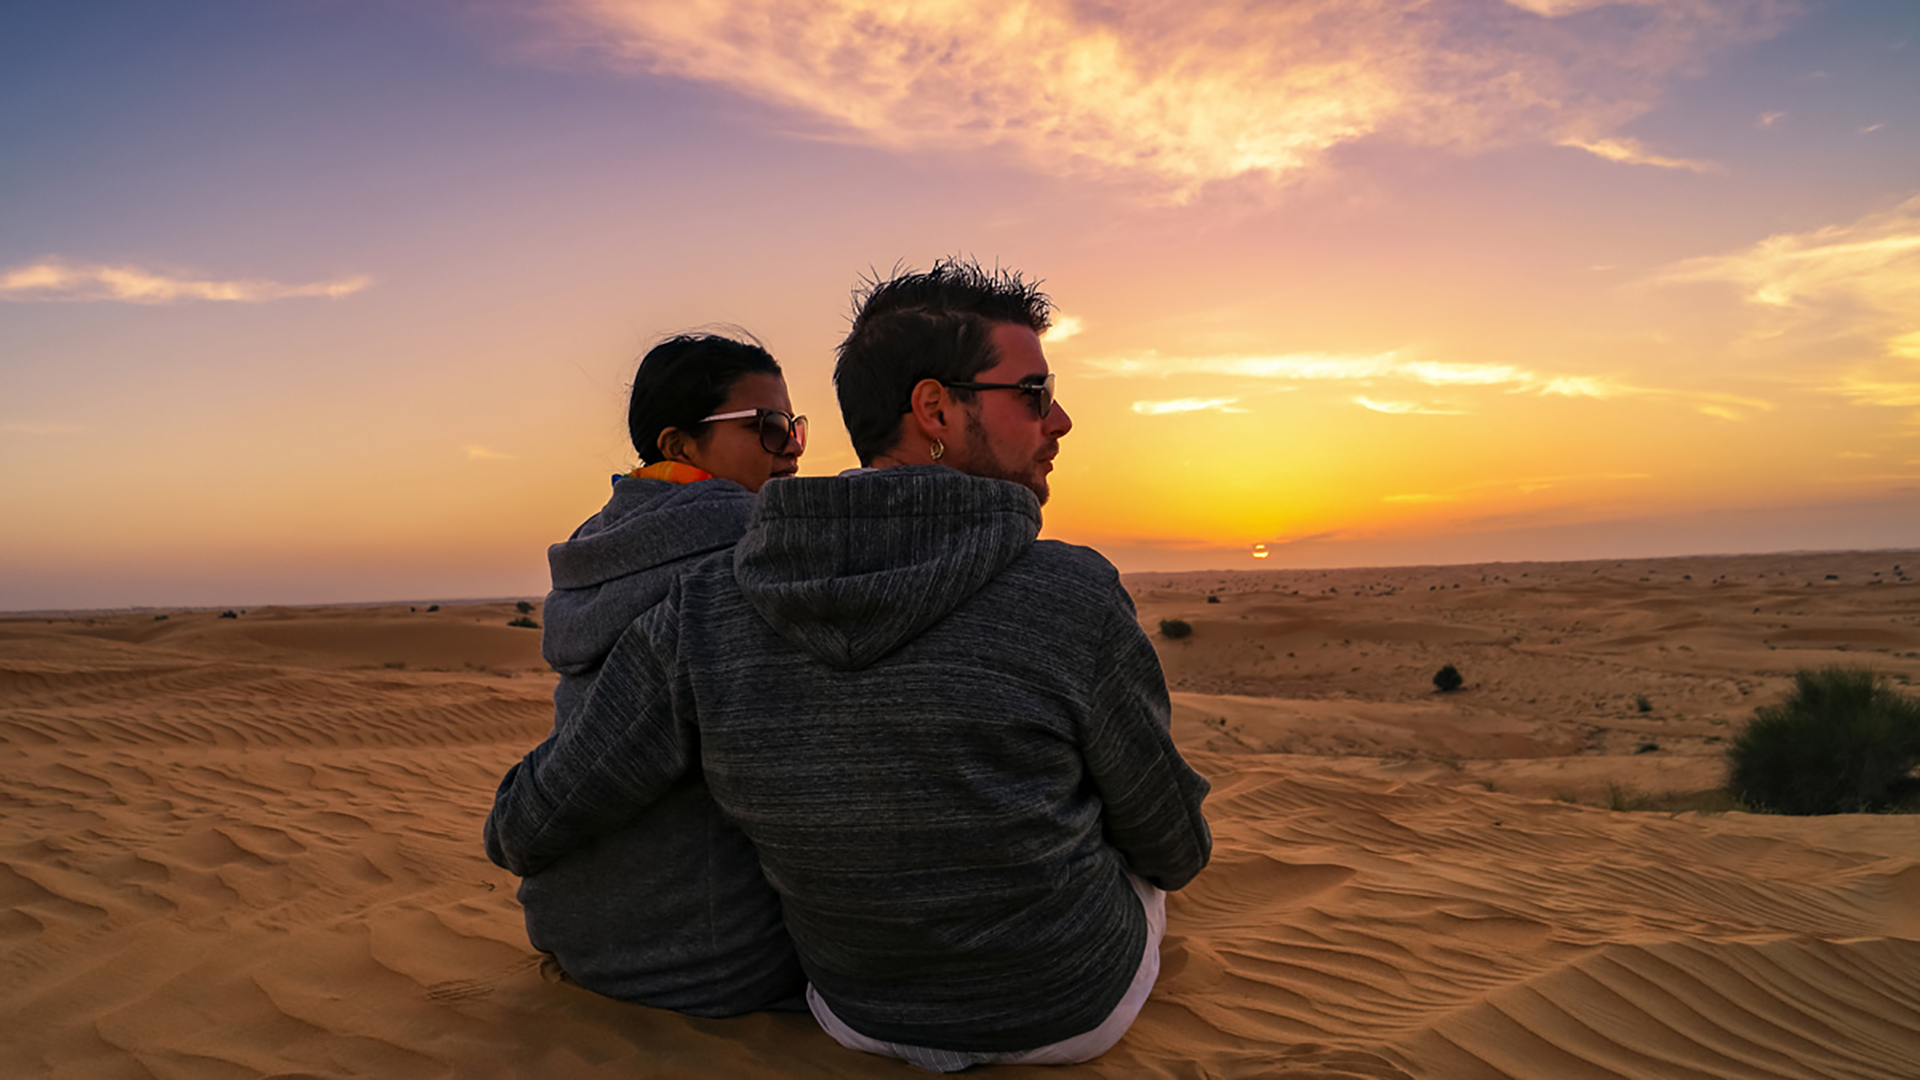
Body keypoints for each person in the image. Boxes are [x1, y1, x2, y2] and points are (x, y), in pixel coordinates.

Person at [486, 257, 1211, 1068]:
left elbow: (541, 813)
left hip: (850, 1013)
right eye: (1034, 393)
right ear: (935, 408)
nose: (1062, 418)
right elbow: (1172, 846)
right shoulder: (1070, 590)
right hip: (1065, 1014)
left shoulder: (714, 604)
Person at [485, 331, 808, 1016]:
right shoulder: (742, 564)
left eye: (795, 427)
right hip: (708, 959)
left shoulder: (597, 556)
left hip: (577, 930)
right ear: (677, 445)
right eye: (768, 428)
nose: (792, 448)